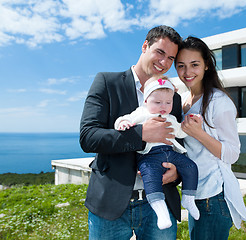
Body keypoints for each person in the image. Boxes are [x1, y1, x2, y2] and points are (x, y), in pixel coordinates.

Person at [80, 25, 183, 240]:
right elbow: (88, 137)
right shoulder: (107, 82)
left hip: (160, 203)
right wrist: (141, 134)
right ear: (145, 46)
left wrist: (177, 172)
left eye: (171, 58)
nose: (164, 63)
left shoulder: (173, 97)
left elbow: (181, 144)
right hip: (111, 205)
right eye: (160, 52)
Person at [175, 36, 246, 240]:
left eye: (194, 65)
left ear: (206, 65)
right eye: (181, 65)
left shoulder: (219, 102)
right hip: (195, 193)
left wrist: (199, 133)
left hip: (213, 196)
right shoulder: (182, 100)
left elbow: (232, 154)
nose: (187, 72)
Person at [114, 75, 199, 230]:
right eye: (157, 102)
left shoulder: (171, 117)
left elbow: (179, 133)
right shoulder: (142, 113)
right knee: (151, 179)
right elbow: (123, 119)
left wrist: (189, 125)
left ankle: (188, 197)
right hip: (149, 156)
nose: (163, 106)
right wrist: (123, 123)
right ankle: (161, 213)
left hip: (170, 153)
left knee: (190, 167)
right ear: (146, 101)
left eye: (168, 102)